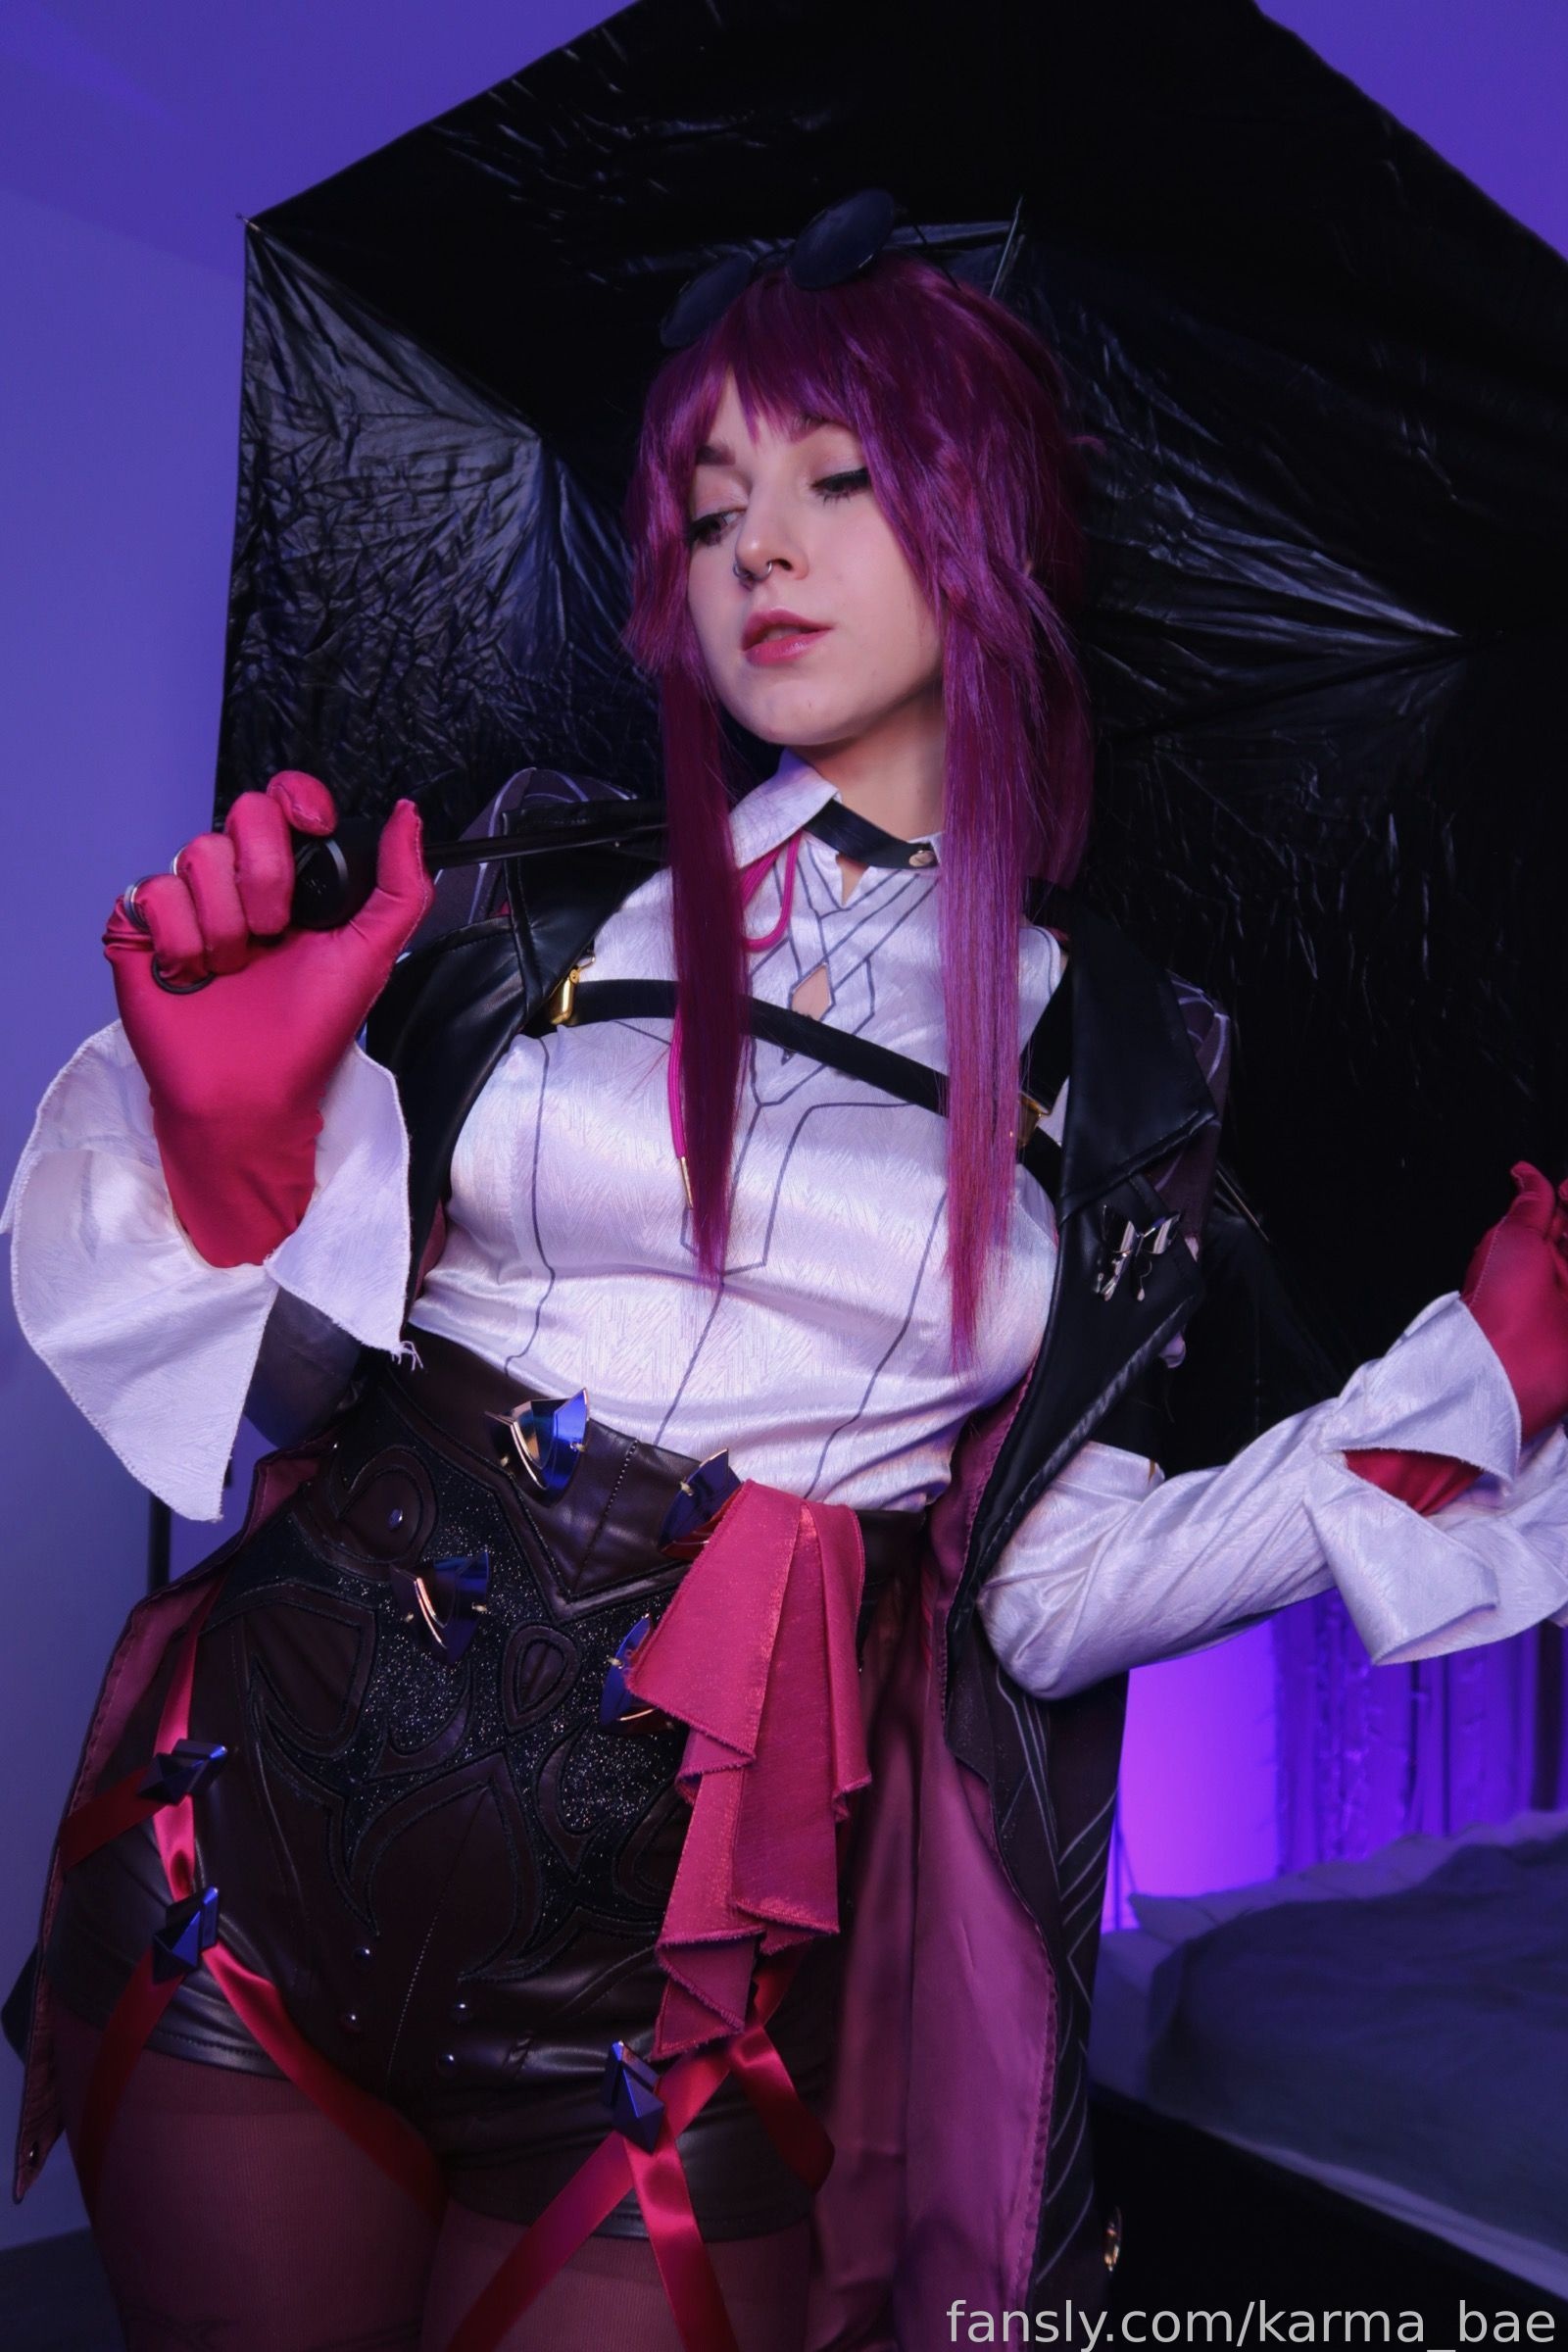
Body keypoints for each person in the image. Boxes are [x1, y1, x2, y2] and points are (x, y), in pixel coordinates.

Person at [6, 221, 1568, 2352]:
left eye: (837, 478)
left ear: (993, 532)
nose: (759, 545)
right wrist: (241, 1146)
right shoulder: (535, 893)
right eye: (709, 501)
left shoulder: (1116, 1063)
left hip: (665, 2002)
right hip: (244, 1854)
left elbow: (1042, 1605)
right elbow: (292, 1400)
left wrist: (1463, 1386)